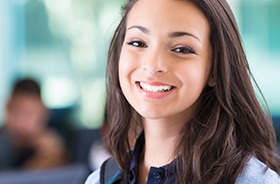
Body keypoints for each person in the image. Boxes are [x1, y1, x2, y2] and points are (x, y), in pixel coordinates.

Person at [86, 0, 280, 183]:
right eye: (138, 43)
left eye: (182, 49)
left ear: (214, 70)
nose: (153, 66)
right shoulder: (99, 179)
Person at [0, 78, 67, 171]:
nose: (24, 121)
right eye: (18, 112)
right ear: (8, 108)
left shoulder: (54, 143)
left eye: (31, 114)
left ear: (44, 113)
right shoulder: (4, 143)